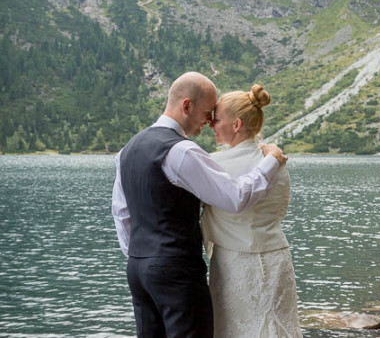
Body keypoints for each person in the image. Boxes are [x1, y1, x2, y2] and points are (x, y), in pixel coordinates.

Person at [111, 72, 288, 338]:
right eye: (207, 113)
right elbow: (235, 197)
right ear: (186, 106)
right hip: (177, 270)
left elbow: (122, 213)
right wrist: (271, 161)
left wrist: (141, 255)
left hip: (137, 269)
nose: (208, 122)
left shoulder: (127, 150)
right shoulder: (182, 151)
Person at [201, 84, 302, 338]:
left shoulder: (214, 164)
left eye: (217, 119)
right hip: (276, 254)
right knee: (279, 327)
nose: (211, 124)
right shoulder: (277, 160)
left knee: (235, 328)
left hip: (235, 262)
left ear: (236, 124)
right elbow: (281, 209)